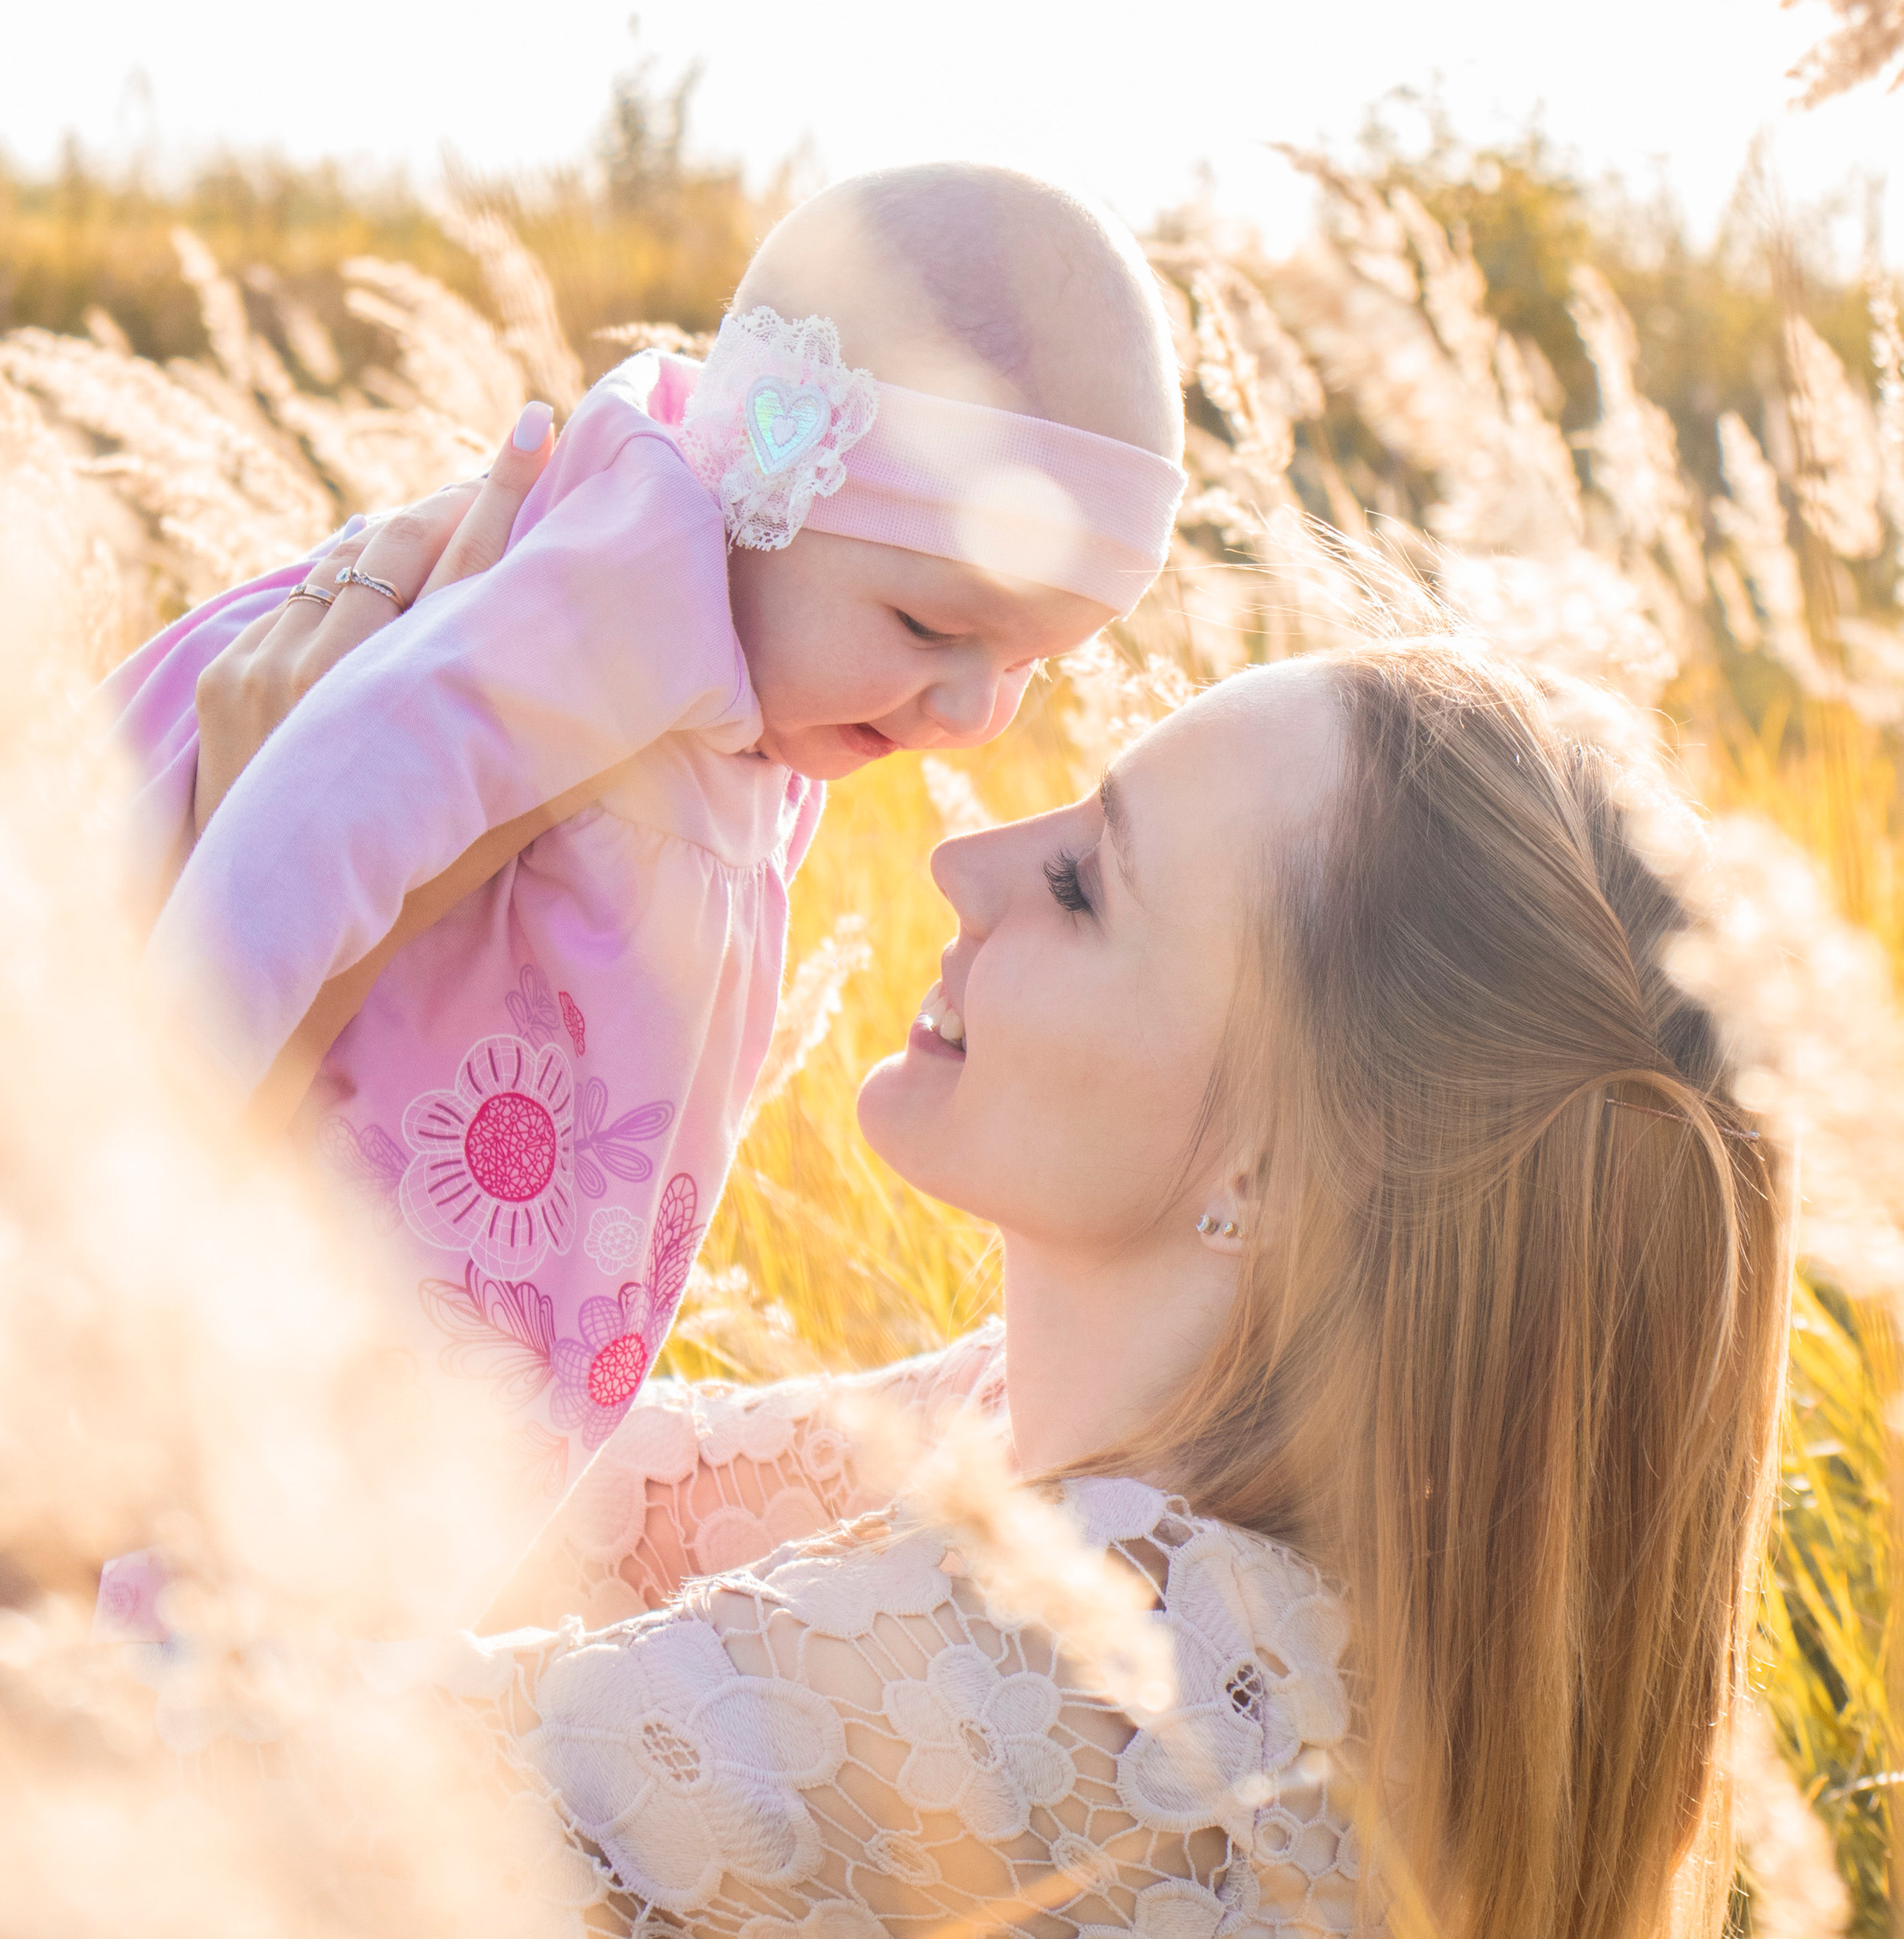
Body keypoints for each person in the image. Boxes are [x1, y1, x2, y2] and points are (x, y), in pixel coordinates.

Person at [425, 644, 1788, 1939]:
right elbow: (532, 1489)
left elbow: (269, 1815)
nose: (962, 863)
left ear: (1277, 1169)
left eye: (1083, 884)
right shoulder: (1120, 1458)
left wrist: (274, 917)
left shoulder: (1114, 1666)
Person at [95, 165, 1188, 1567]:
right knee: (206, 1554)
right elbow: (324, 806)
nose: (976, 711)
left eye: (1034, 664)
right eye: (931, 625)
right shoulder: (632, 574)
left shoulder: (759, 695)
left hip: (440, 1305)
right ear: (766, 481)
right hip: (249, 1207)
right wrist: (130, 1128)